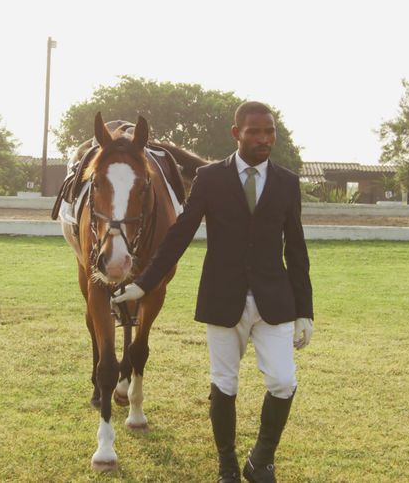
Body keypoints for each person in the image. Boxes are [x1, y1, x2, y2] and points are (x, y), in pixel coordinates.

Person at [112, 101, 313, 483]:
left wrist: (305, 310)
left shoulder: (287, 182)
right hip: (223, 299)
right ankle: (227, 464)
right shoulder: (210, 178)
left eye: (269, 131)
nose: (264, 138)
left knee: (284, 381)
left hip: (275, 299)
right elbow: (179, 235)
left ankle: (261, 460)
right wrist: (142, 283)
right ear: (236, 133)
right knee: (225, 382)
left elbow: (297, 249)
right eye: (254, 131)